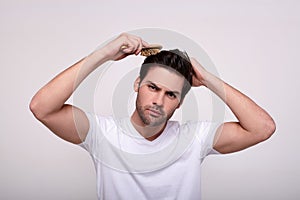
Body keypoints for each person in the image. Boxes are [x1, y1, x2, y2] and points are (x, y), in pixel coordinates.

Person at [30, 33, 276, 199]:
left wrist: (209, 79)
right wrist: (104, 53)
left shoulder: (194, 138)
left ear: (179, 103)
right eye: (153, 87)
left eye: (171, 94)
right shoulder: (102, 134)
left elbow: (262, 128)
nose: (158, 100)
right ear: (137, 84)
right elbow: (42, 107)